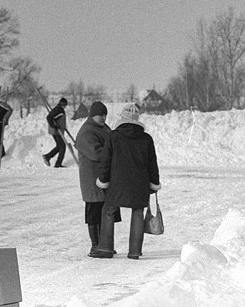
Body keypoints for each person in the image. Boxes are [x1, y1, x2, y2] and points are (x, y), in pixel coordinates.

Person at [91, 104, 160, 260]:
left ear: (122, 118)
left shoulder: (114, 136)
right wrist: (154, 183)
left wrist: (103, 180)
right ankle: (134, 252)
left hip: (118, 183)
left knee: (108, 211)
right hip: (140, 184)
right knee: (137, 213)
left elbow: (106, 161)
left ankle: (105, 249)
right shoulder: (146, 138)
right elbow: (152, 163)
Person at [75, 101, 121, 255]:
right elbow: (97, 153)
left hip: (104, 177)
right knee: (94, 213)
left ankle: (105, 244)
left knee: (106, 211)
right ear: (92, 115)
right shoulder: (87, 132)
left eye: (105, 115)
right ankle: (96, 246)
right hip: (92, 180)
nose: (103, 118)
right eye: (100, 115)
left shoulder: (103, 128)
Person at [42, 97, 69, 168]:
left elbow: (57, 118)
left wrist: (63, 126)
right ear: (62, 104)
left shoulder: (59, 109)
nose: (65, 106)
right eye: (65, 105)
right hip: (56, 131)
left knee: (59, 146)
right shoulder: (58, 110)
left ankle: (47, 156)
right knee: (62, 146)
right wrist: (54, 126)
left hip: (56, 130)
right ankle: (58, 163)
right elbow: (49, 118)